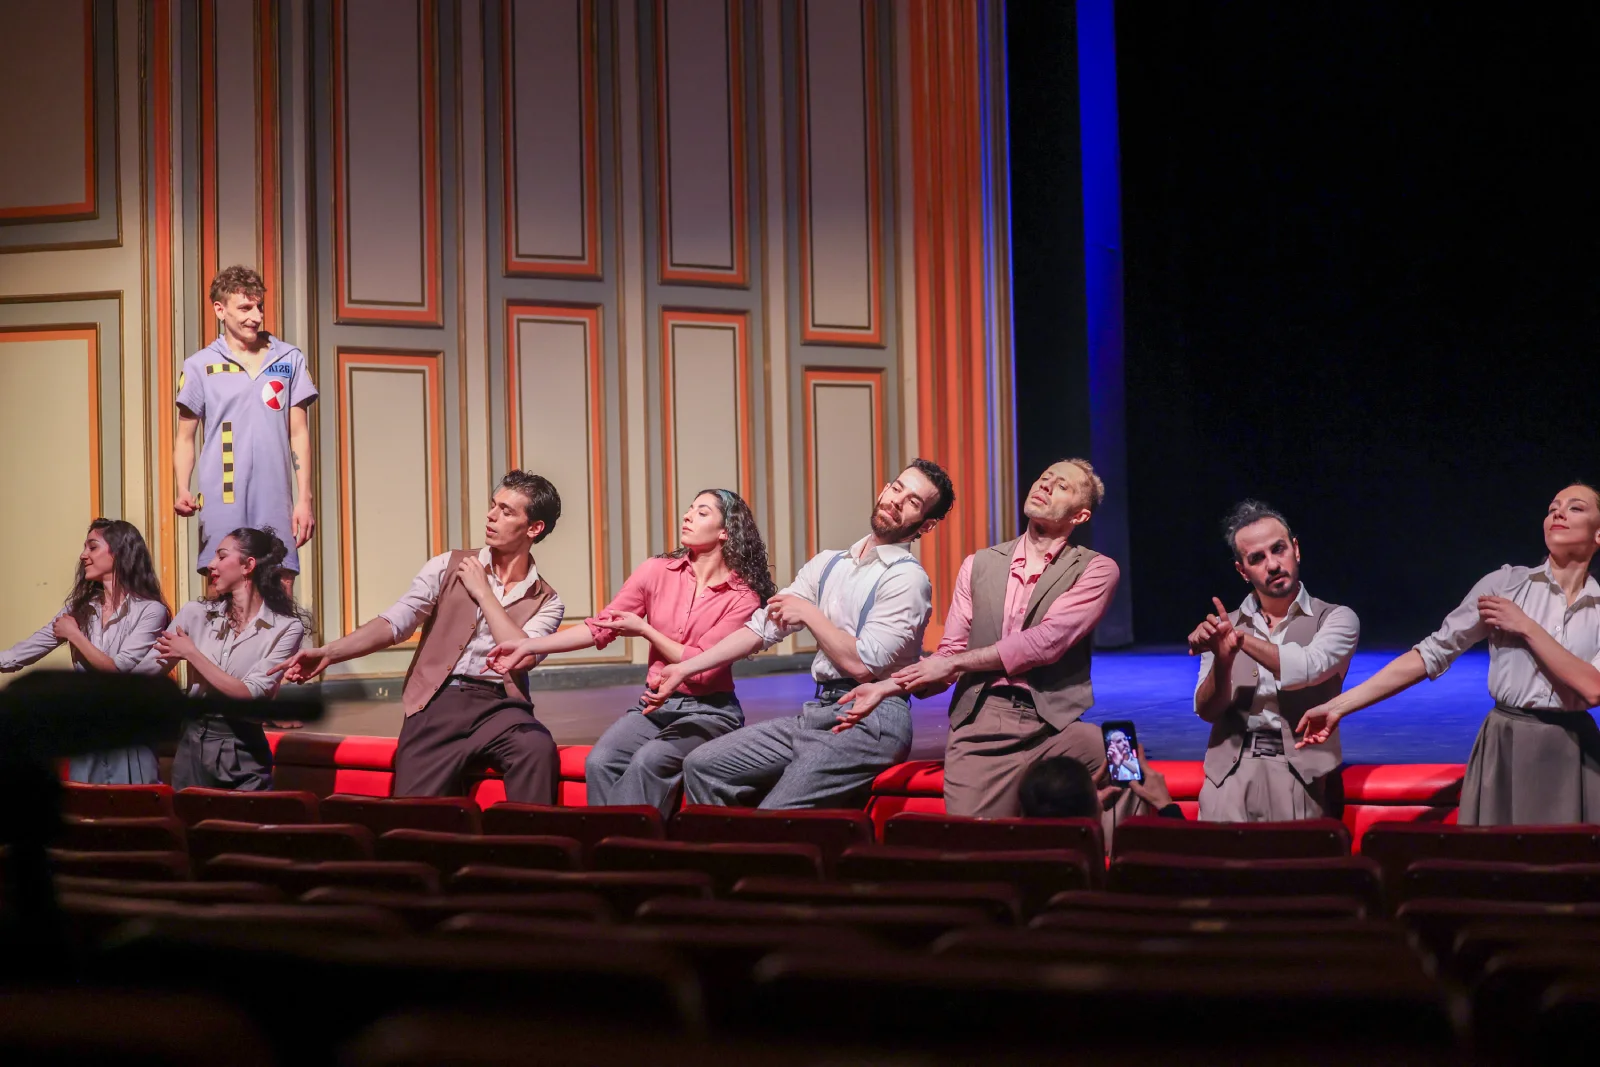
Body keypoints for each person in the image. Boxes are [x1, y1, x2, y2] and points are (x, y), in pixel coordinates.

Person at [648, 460, 955, 809]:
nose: (897, 500)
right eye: (896, 488)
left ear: (926, 525)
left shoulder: (907, 579)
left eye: (913, 501)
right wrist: (685, 668)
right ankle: (729, 844)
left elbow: (861, 665)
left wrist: (809, 614)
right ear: (885, 489)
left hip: (874, 720)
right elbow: (760, 628)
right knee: (704, 764)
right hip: (820, 711)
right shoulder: (829, 563)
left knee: (777, 811)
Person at [1299, 484, 1600, 826]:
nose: (1558, 513)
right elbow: (1432, 652)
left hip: (1575, 752)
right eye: (1552, 507)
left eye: (1575, 508)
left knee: (1566, 857)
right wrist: (1338, 706)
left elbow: (1593, 689)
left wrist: (1527, 627)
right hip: (1507, 742)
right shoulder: (1505, 585)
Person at [835, 459, 1120, 818]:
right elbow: (949, 654)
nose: (1045, 485)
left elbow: (1045, 642)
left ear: (1080, 516)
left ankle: (1113, 853)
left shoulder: (1095, 569)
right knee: (974, 837)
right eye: (1044, 477)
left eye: (1062, 486)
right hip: (983, 722)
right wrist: (884, 688)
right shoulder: (979, 564)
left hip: (1056, 724)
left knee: (1125, 765)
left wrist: (952, 662)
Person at [275, 471, 565, 804]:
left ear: (534, 528)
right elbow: (396, 623)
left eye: (506, 511)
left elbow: (522, 656)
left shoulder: (547, 600)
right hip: (439, 700)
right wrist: (329, 653)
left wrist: (484, 594)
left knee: (536, 747)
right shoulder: (447, 565)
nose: (491, 515)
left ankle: (527, 836)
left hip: (501, 706)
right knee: (413, 809)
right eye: (493, 505)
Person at [489, 489, 774, 816]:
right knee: (601, 760)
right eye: (689, 508)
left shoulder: (742, 596)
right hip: (654, 705)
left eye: (702, 512)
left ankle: (636, 841)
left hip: (710, 711)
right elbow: (601, 626)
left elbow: (701, 667)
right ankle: (610, 840)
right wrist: (529, 644)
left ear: (725, 531)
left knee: (649, 760)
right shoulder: (657, 571)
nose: (687, 516)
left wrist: (645, 629)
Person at [1191, 500, 1358, 822]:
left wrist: (1240, 639)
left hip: (1299, 774)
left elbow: (1308, 667)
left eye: (1278, 549)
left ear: (1296, 549)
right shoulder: (1225, 627)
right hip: (1228, 772)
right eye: (1257, 558)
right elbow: (1208, 711)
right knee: (1217, 855)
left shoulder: (1336, 618)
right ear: (1242, 571)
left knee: (1291, 856)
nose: (1272, 564)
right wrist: (1223, 660)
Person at [133, 527, 307, 790]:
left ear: (248, 565)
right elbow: (148, 668)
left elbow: (248, 694)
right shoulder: (195, 613)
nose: (211, 565)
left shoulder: (286, 628)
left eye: (221, 556)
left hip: (243, 748)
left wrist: (191, 653)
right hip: (193, 741)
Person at [0, 519, 171, 783]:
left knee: (131, 806)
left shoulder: (151, 611)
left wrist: (75, 636)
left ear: (119, 552)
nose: (83, 556)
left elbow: (118, 671)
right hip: (88, 734)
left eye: (92, 547)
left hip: (127, 736)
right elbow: (28, 649)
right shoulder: (81, 607)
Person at [175, 265, 317, 582]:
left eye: (259, 307)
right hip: (222, 498)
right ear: (220, 310)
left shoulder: (288, 359)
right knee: (222, 587)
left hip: (275, 499)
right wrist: (182, 487)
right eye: (245, 308)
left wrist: (304, 498)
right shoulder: (199, 365)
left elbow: (298, 432)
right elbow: (185, 438)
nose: (256, 317)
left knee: (279, 584)